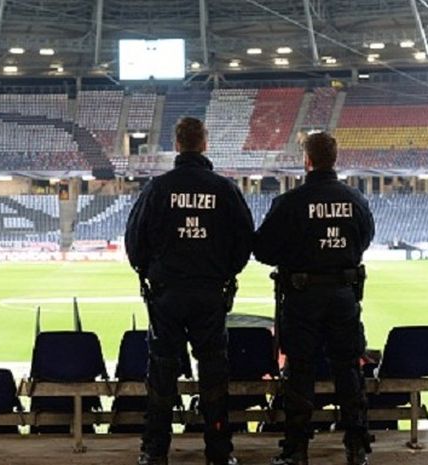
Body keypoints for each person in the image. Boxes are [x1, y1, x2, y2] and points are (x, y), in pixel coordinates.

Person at [125, 117, 254, 465]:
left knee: (162, 373)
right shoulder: (224, 189)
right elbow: (245, 241)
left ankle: (155, 452)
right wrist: (225, 273)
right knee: (213, 373)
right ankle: (218, 452)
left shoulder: (157, 188)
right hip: (210, 293)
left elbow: (134, 241)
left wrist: (149, 272)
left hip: (166, 294)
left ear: (177, 144)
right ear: (205, 143)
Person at [253, 132, 375, 465]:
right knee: (348, 369)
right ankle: (356, 445)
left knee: (300, 372)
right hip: (343, 295)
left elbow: (262, 249)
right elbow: (364, 240)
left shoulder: (291, 202)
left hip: (302, 296)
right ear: (334, 159)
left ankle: (297, 450)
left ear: (307, 160)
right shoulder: (355, 199)